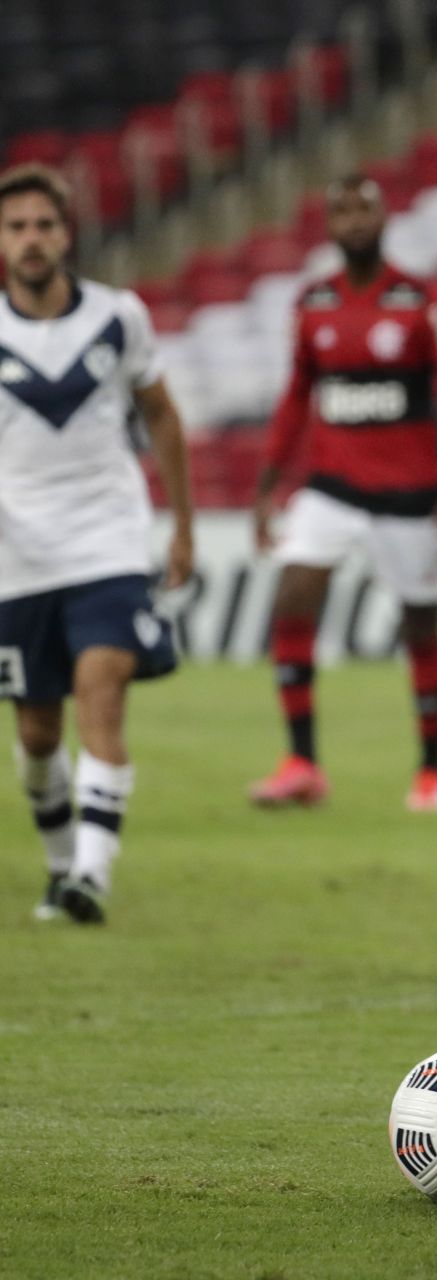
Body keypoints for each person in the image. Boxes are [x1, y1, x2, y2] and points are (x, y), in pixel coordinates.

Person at [0, 163, 195, 924]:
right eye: (17, 228)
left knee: (101, 695)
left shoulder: (119, 317)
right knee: (37, 730)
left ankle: (90, 875)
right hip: (16, 557)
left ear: (67, 232)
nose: (32, 240)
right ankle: (59, 868)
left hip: (107, 543)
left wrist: (180, 525)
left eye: (44, 225)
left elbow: (163, 417)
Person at [248, 175, 437, 813]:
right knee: (292, 595)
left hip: (408, 494)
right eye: (340, 209)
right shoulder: (312, 301)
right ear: (329, 224)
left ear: (384, 220)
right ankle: (301, 763)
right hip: (329, 486)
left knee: (419, 626)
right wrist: (268, 486)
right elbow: (296, 398)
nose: (352, 220)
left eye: (363, 209)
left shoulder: (421, 299)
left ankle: (431, 770)